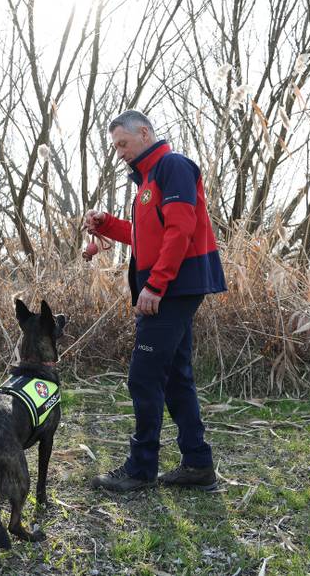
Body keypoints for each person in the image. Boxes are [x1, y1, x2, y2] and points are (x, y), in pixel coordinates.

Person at [85, 110, 227, 492]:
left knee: (144, 376)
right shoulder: (147, 182)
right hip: (170, 287)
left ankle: (141, 468)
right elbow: (146, 235)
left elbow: (181, 229)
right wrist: (106, 224)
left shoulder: (172, 166)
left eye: (123, 144)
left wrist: (156, 285)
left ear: (145, 133)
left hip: (174, 286)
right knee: (177, 377)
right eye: (115, 147)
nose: (119, 153)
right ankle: (197, 464)